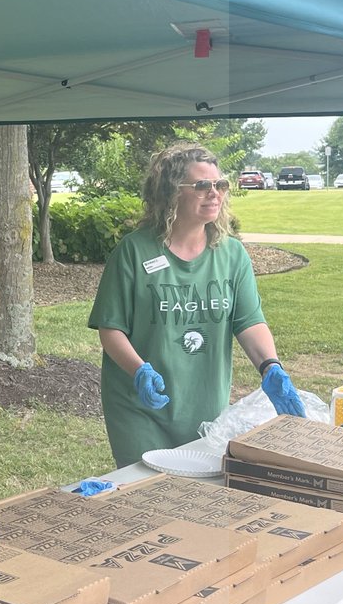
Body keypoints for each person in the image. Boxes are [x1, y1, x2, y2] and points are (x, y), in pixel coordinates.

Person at [88, 142, 305, 468]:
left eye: (220, 185)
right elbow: (111, 328)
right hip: (140, 406)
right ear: (171, 192)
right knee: (148, 494)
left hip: (205, 405)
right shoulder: (134, 252)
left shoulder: (231, 255)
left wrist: (270, 365)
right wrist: (139, 370)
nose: (214, 193)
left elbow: (248, 321)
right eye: (202, 185)